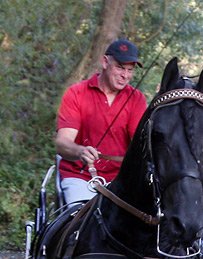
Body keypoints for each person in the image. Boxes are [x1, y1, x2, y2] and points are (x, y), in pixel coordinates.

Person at [55, 38, 148, 205]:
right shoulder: (76, 93)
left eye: (129, 70)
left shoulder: (137, 99)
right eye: (120, 67)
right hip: (80, 177)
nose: (124, 76)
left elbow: (141, 145)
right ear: (105, 62)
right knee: (80, 222)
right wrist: (80, 151)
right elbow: (62, 143)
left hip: (122, 181)